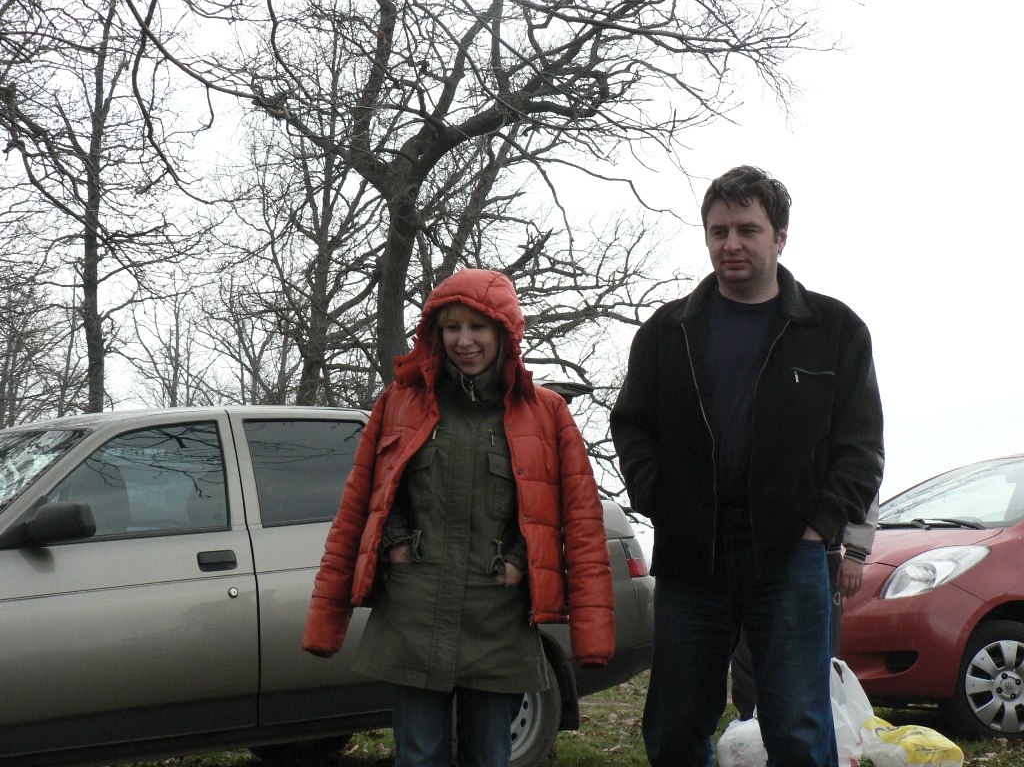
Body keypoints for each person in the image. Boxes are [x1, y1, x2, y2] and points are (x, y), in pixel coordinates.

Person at [610, 165, 883, 767]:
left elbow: (861, 447)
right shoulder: (666, 332)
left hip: (790, 556)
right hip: (691, 554)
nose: (731, 244)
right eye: (719, 231)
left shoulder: (834, 330)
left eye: (747, 230)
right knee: (676, 727)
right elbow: (631, 425)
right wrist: (662, 499)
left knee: (798, 729)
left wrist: (819, 524)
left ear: (780, 236)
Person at [301, 268, 615, 767]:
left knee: (489, 756)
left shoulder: (547, 412)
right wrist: (396, 544)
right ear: (436, 334)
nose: (464, 341)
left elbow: (580, 522)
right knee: (418, 756)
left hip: (498, 617)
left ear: (504, 333)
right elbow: (363, 501)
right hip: (414, 610)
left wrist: (519, 561)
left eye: (477, 327)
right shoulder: (399, 401)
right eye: (452, 328)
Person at [731, 495, 880, 721]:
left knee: (819, 656)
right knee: (748, 652)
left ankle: (822, 725)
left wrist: (856, 552)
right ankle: (749, 725)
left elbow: (864, 484)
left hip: (820, 551)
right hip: (753, 549)